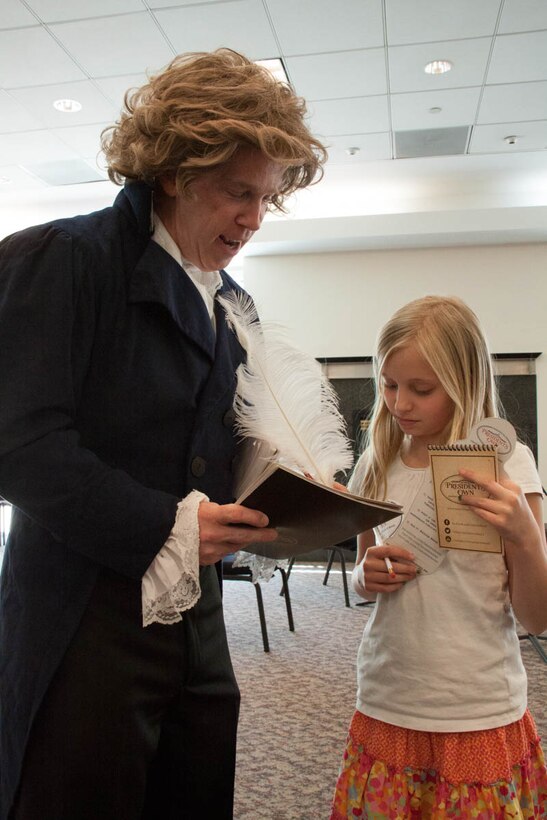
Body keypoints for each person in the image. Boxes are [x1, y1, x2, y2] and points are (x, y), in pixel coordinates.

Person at [0, 49, 327, 820]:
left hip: (194, 613)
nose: (251, 218)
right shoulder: (62, 260)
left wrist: (291, 489)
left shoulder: (229, 299)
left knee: (193, 786)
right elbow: (19, 442)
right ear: (176, 171)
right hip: (83, 615)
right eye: (236, 193)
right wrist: (165, 522)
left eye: (265, 199)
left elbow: (214, 437)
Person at [331, 296, 547, 818]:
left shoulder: (508, 465)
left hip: (477, 704)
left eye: (421, 389)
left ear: (464, 382)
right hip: (389, 695)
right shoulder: (376, 464)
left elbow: (538, 616)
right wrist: (366, 577)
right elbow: (361, 579)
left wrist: (524, 535)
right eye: (390, 384)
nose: (400, 403)